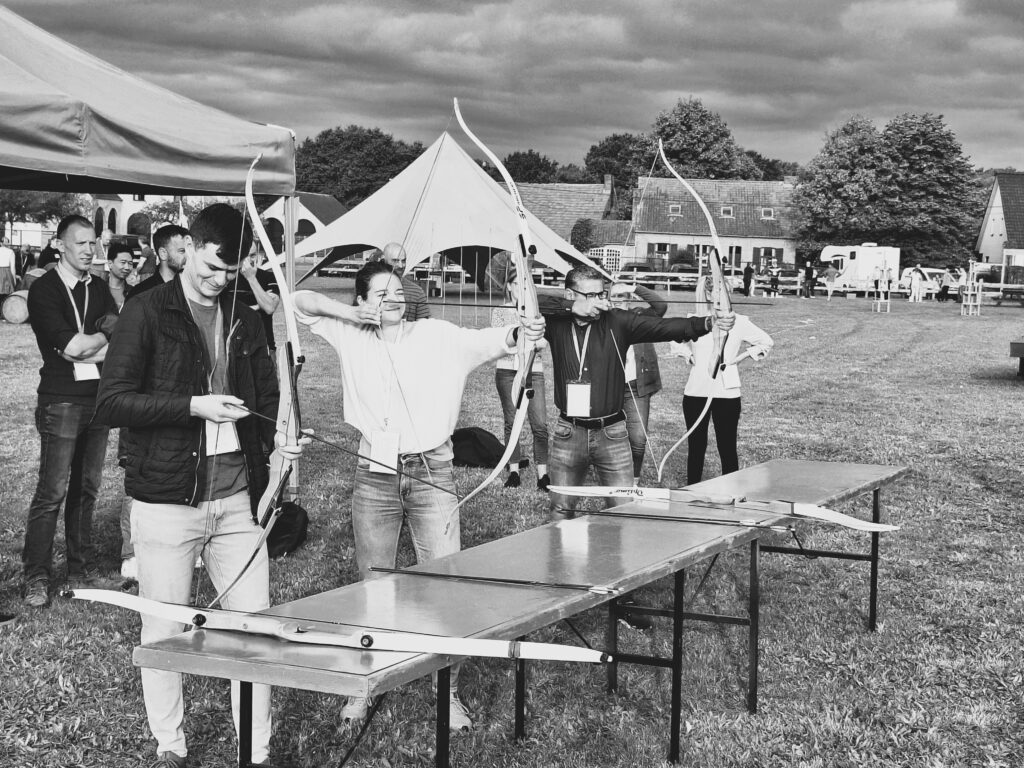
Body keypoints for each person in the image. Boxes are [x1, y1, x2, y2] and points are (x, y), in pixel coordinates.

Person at [292, 260, 545, 731]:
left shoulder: (436, 334)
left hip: (433, 472)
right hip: (374, 476)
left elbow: (494, 341)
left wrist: (522, 331)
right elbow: (299, 302)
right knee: (373, 585)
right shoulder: (349, 332)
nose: (394, 300)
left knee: (445, 584)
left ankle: (446, 691)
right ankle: (364, 685)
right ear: (362, 301)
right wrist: (349, 315)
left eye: (397, 291)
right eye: (381, 293)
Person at [94, 204, 304, 768]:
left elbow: (266, 399)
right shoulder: (146, 310)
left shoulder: (244, 315)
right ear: (188, 246)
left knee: (254, 632)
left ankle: (255, 751)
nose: (218, 280)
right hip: (166, 500)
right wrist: (193, 405)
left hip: (238, 502)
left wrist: (281, 440)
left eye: (231, 273)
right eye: (211, 267)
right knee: (164, 630)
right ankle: (171, 746)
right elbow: (112, 402)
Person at [539, 265, 734, 521]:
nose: (601, 302)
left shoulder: (617, 321)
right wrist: (570, 307)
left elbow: (665, 327)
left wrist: (709, 323)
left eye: (602, 294)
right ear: (570, 295)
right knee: (560, 509)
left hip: (612, 434)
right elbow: (530, 301)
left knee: (623, 510)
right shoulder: (556, 322)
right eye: (592, 296)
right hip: (569, 433)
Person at [21, 215, 120, 608]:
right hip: (61, 400)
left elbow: (112, 338)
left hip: (97, 399)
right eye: (81, 243)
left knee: (87, 489)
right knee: (52, 492)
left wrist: (89, 343)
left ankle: (81, 569)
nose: (90, 250)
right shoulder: (44, 290)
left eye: (94, 243)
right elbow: (71, 347)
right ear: (59, 245)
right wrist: (99, 337)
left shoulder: (99, 287)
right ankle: (36, 576)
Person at [678, 281, 773, 484]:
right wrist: (689, 355)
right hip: (696, 391)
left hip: (727, 393)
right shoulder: (694, 320)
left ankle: (731, 491)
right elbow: (674, 339)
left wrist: (740, 357)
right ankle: (692, 490)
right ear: (708, 294)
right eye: (719, 293)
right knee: (696, 446)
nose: (724, 297)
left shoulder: (739, 321)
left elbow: (766, 341)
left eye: (727, 293)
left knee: (727, 446)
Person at [491, 269, 549, 489]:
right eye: (517, 285)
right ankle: (514, 471)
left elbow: (542, 343)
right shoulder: (500, 312)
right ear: (508, 286)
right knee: (512, 422)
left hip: (534, 370)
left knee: (540, 424)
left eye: (525, 286)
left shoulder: (537, 313)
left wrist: (534, 339)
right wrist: (522, 336)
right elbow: (500, 342)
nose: (521, 290)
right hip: (507, 372)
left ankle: (543, 475)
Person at [608, 283, 666, 484]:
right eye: (613, 296)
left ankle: (633, 481)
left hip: (635, 386)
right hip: (608, 386)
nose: (617, 300)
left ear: (629, 298)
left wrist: (634, 287)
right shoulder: (601, 319)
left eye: (622, 296)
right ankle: (611, 475)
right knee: (608, 436)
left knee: (638, 438)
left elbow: (661, 306)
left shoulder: (640, 316)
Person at [222, 247, 280, 352]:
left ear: (258, 255)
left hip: (264, 346)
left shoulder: (269, 276)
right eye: (244, 256)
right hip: (233, 348)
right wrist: (258, 306)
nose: (248, 260)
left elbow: (269, 308)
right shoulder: (227, 277)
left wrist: (251, 278)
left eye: (252, 255)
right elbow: (226, 311)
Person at [128, 224, 190, 299]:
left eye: (190, 250)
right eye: (182, 251)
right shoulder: (141, 294)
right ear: (163, 253)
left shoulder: (194, 290)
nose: (188, 255)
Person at [380, 242, 429, 321]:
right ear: (384, 261)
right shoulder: (372, 288)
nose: (401, 265)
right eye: (395, 261)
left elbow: (423, 325)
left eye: (403, 261)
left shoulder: (417, 292)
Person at [106, 243, 135, 310]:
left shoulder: (134, 292)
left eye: (130, 263)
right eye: (123, 262)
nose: (127, 267)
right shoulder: (98, 291)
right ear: (110, 264)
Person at [0, 236, 16, 305]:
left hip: (5, 273)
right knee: (7, 296)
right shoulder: (11, 252)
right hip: (6, 274)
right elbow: (13, 267)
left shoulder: (11, 251)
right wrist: (14, 279)